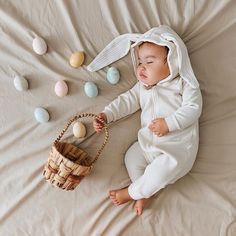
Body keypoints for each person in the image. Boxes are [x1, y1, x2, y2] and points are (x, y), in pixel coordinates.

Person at [89, 26, 202, 216]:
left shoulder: (184, 83)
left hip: (176, 151)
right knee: (131, 157)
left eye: (150, 61)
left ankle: (132, 192)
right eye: (140, 61)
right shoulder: (142, 87)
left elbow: (193, 108)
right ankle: (145, 190)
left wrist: (169, 124)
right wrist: (107, 115)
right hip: (148, 145)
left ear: (172, 61)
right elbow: (126, 101)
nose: (142, 67)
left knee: (160, 171)